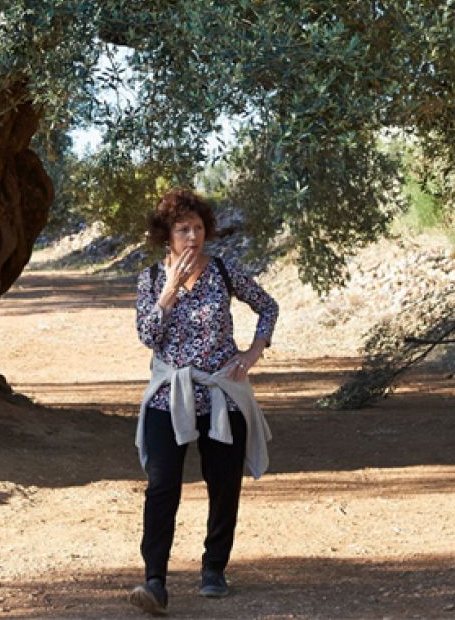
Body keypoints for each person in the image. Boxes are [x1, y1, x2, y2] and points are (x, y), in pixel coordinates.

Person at [128, 188, 278, 616]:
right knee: (161, 485)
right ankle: (154, 579)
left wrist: (253, 352)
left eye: (197, 228)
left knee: (224, 483)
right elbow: (147, 337)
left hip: (221, 394)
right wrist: (169, 293)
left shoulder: (226, 272)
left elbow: (268, 307)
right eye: (182, 230)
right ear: (167, 236)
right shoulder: (152, 280)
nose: (191, 237)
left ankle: (214, 568)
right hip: (168, 396)